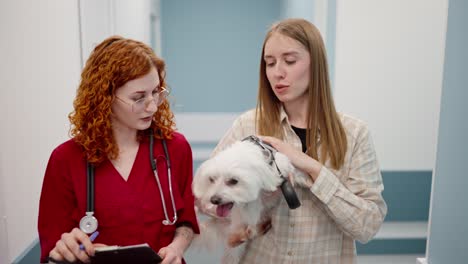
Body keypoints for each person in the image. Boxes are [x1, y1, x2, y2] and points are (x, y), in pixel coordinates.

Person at [210, 18, 387, 263]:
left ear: (316, 65)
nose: (277, 72)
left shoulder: (354, 133)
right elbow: (207, 200)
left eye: (290, 61)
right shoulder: (247, 126)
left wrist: (311, 168)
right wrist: (246, 195)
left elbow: (368, 226)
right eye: (270, 63)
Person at [38, 36, 199, 264]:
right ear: (105, 98)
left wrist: (176, 247)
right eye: (138, 97)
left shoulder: (175, 148)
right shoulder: (65, 160)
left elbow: (186, 221)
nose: (152, 106)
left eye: (156, 92)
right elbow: (53, 248)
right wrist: (67, 248)